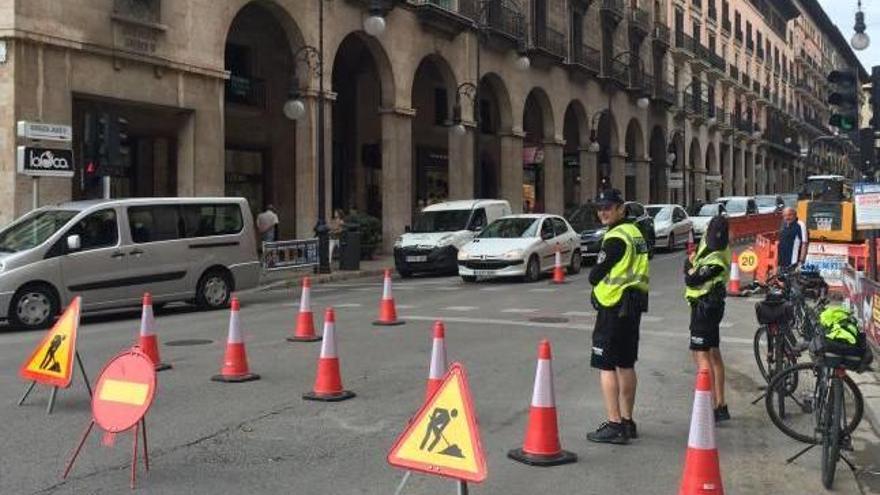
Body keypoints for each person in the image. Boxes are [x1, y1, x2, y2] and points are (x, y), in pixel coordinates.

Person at [587, 188, 650, 444]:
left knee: (606, 365)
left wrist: (596, 289)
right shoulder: (636, 233)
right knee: (626, 364)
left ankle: (614, 424)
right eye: (600, 208)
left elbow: (595, 275)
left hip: (613, 307)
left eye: (608, 207)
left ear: (620, 208)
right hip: (633, 306)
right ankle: (627, 421)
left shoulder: (615, 238)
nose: (603, 212)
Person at [684, 215, 732, 422]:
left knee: (701, 355)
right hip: (709, 306)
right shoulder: (713, 242)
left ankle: (708, 405)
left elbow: (692, 277)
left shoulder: (717, 256)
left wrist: (689, 265)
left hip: (705, 307)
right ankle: (720, 404)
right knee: (713, 353)